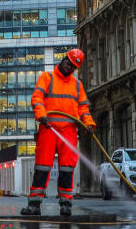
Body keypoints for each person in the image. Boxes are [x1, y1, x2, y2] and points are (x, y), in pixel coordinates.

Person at [20, 48, 96, 217]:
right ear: (63, 59)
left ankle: (66, 204)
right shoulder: (47, 78)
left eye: (73, 67)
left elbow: (83, 108)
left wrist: (89, 123)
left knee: (67, 168)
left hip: (68, 131)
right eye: (68, 63)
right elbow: (37, 98)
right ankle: (34, 204)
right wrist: (42, 116)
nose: (69, 68)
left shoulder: (77, 85)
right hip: (48, 129)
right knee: (42, 167)